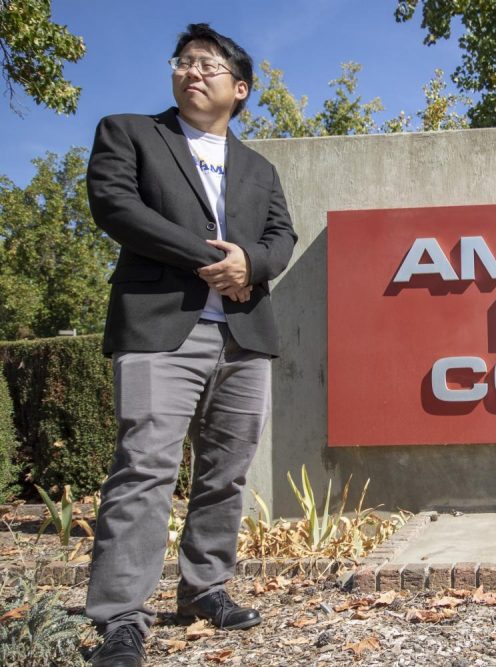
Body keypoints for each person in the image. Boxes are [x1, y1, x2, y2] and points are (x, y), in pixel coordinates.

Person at [85, 23, 297, 667]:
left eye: (207, 65)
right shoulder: (130, 132)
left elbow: (281, 237)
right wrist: (214, 261)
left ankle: (206, 588)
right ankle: (121, 615)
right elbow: (115, 206)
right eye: (183, 62)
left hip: (243, 333)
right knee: (144, 468)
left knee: (226, 471)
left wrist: (252, 267)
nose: (191, 72)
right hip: (159, 327)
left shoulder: (259, 166)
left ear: (240, 89)